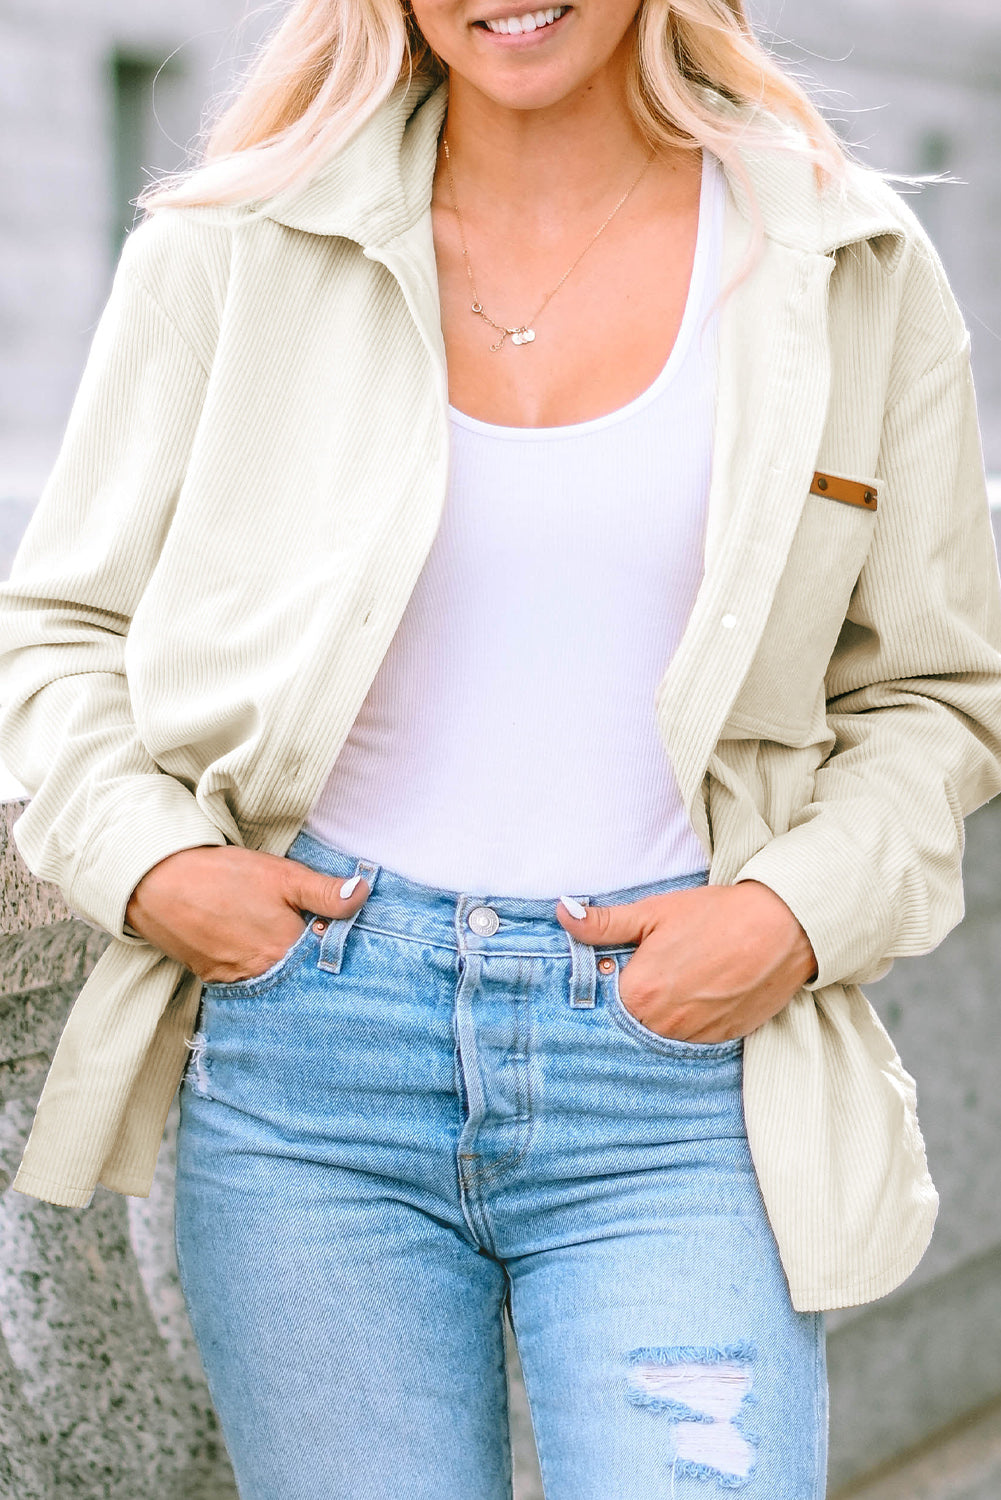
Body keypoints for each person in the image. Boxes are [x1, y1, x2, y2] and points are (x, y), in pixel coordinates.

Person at [2, 1, 1000, 1495]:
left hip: (679, 1079)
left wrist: (786, 920)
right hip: (309, 1074)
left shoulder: (840, 267)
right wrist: (152, 869)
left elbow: (937, 694)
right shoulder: (231, 250)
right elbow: (61, 627)